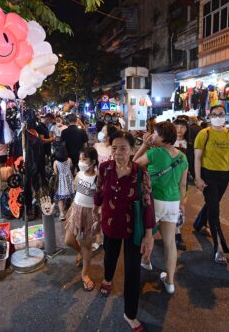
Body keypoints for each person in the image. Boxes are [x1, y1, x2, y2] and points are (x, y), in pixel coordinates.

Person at [94, 131, 155, 331]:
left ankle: (130, 314)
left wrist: (148, 234)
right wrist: (96, 213)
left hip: (133, 229)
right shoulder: (104, 169)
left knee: (133, 270)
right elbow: (99, 193)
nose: (118, 152)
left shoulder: (140, 173)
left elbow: (148, 203)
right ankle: (107, 278)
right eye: (114, 148)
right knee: (109, 257)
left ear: (132, 151)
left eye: (123, 148)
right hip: (110, 224)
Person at [134, 122, 188, 294]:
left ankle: (143, 262)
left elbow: (134, 164)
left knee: (144, 235)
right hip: (172, 203)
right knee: (170, 242)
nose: (152, 136)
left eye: (155, 134)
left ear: (163, 138)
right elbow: (183, 184)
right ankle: (170, 282)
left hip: (154, 201)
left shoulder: (155, 153)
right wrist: (182, 204)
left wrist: (144, 144)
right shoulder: (182, 157)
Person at [193, 105, 229, 264]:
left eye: (221, 114)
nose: (218, 116)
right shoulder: (204, 134)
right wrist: (198, 178)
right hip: (208, 175)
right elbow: (197, 158)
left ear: (225, 116)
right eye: (214, 114)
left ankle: (198, 224)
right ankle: (219, 249)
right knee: (215, 211)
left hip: (224, 177)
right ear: (210, 116)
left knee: (212, 204)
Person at [64, 147, 99, 291]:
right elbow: (76, 189)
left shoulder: (98, 178)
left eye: (84, 159)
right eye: (80, 159)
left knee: (87, 246)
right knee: (69, 240)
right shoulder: (79, 174)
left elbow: (100, 198)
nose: (81, 162)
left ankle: (85, 274)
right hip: (77, 209)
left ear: (93, 161)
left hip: (90, 214)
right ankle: (80, 252)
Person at [173, 118, 190, 250]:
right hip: (168, 180)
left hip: (182, 181)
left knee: (179, 208)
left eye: (183, 127)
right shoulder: (168, 142)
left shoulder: (189, 144)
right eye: (177, 126)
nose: (179, 129)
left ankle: (177, 235)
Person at [53, 143, 75, 220]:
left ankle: (62, 214)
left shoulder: (55, 162)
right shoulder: (69, 160)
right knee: (72, 197)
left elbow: (56, 172)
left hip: (61, 182)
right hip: (69, 180)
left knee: (60, 198)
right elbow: (71, 167)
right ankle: (73, 213)